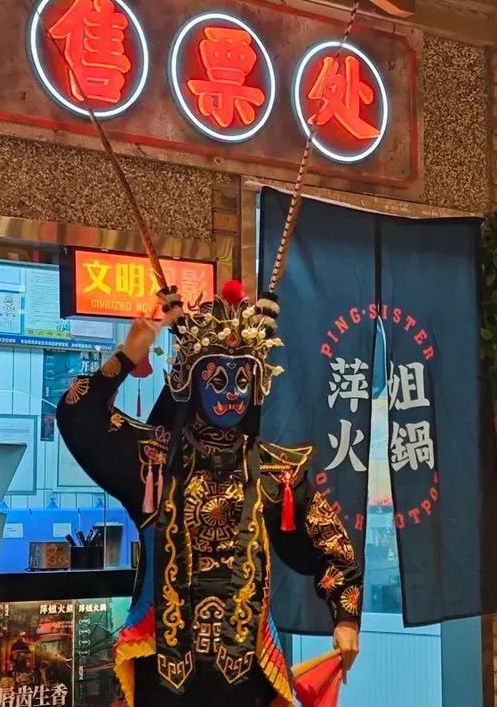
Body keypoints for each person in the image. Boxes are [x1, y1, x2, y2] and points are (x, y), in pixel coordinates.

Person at [56, 282, 362, 707]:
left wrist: (346, 619)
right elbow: (78, 414)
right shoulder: (152, 462)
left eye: (242, 380)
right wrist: (128, 355)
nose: (232, 392)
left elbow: (332, 544)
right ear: (191, 382)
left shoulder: (275, 473)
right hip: (162, 673)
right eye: (217, 379)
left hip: (247, 677)